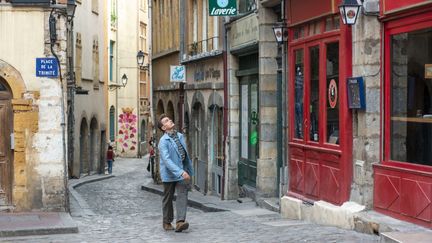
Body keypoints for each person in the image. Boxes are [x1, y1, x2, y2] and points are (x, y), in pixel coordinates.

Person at [157, 114, 193, 232]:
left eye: (169, 119)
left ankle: (180, 222)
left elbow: (184, 154)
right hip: (169, 174)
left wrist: (188, 170)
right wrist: (180, 172)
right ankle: (167, 221)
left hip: (182, 171)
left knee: (183, 194)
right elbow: (167, 160)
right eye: (166, 121)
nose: (170, 120)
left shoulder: (180, 136)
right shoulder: (163, 141)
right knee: (168, 198)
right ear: (163, 128)